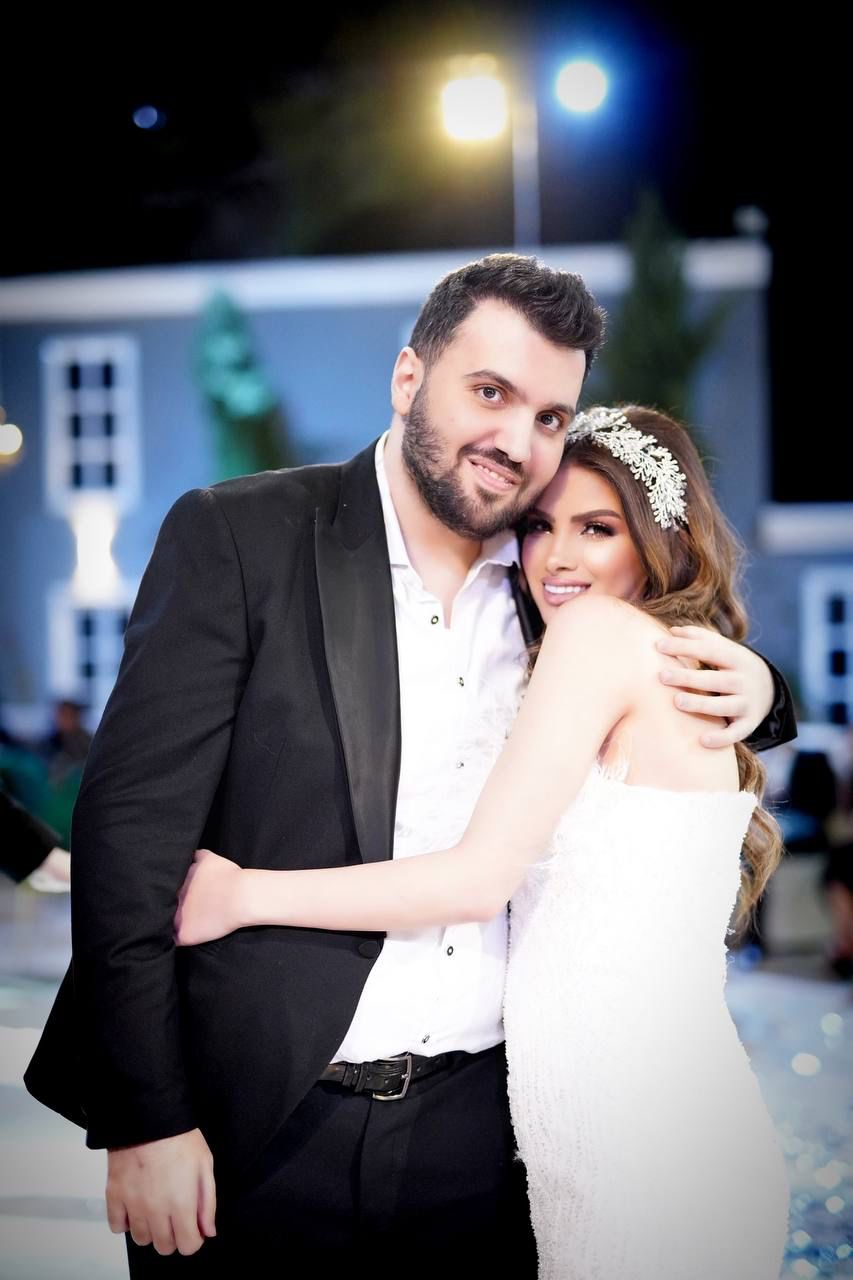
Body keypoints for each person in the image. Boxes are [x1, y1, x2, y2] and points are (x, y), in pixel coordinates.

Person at [24, 256, 795, 1277]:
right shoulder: (244, 535)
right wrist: (146, 1117)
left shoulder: (550, 592)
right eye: (490, 391)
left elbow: (645, 692)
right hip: (260, 1127)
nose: (517, 441)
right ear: (406, 378)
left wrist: (762, 688)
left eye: (549, 416)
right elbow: (128, 835)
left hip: (487, 1145)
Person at [176, 405, 790, 1279]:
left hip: (635, 1134)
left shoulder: (597, 636)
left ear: (663, 538)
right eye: (537, 526)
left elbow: (476, 880)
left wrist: (242, 894)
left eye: (597, 528)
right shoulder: (664, 654)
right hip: (633, 1114)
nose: (557, 558)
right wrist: (765, 682)